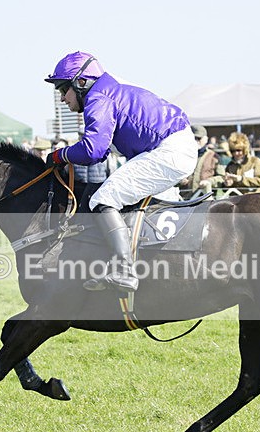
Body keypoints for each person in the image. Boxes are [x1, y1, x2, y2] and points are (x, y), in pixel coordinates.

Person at [43, 51, 195, 293]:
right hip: (172, 145)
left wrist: (58, 155)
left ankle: (124, 270)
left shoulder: (98, 97)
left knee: (103, 198)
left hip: (168, 149)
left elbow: (93, 151)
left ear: (81, 83)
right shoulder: (107, 89)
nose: (63, 99)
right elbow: (100, 152)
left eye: (63, 90)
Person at [179, 124, 220, 197]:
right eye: (193, 138)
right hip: (185, 200)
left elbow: (222, 178)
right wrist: (179, 181)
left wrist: (209, 181)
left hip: (206, 199)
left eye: (199, 138)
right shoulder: (182, 156)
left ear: (206, 139)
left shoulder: (214, 156)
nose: (196, 141)